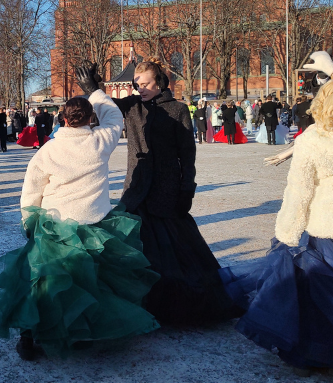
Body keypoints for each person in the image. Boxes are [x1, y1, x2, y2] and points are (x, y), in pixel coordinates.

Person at [0, 67, 159, 360]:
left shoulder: (48, 151)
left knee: (44, 282)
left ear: (62, 118)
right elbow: (115, 117)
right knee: (92, 282)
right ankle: (86, 329)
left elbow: (32, 188)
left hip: (55, 222)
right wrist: (95, 91)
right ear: (91, 119)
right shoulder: (100, 141)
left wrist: (28, 219)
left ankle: (30, 335)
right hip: (93, 221)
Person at [220, 63, 333, 374]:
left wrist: (287, 232)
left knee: (330, 294)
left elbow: (299, 190)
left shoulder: (311, 141)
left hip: (329, 221)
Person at [92, 59, 239, 323]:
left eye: (146, 83)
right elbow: (104, 109)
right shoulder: (132, 105)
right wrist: (93, 89)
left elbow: (187, 155)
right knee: (135, 246)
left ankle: (173, 307)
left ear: (160, 82)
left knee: (175, 251)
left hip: (166, 189)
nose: (141, 88)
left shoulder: (178, 109)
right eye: (137, 84)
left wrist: (187, 188)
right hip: (136, 189)